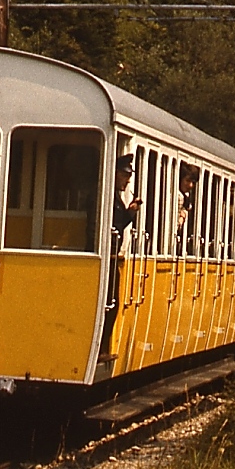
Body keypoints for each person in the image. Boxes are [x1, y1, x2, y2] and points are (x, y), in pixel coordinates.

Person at [100, 153, 142, 359]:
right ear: (116, 174)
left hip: (112, 256)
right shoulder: (107, 196)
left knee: (112, 301)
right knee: (111, 302)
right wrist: (130, 214)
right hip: (108, 257)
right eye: (125, 176)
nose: (127, 180)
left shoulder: (114, 196)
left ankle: (103, 348)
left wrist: (130, 212)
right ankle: (102, 349)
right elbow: (111, 225)